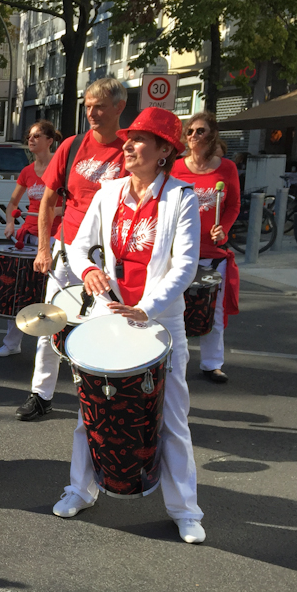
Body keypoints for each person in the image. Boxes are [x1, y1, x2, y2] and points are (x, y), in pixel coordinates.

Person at [51, 106, 205, 544]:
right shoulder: (109, 190)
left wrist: (149, 307)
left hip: (161, 322)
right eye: (129, 138)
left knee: (173, 417)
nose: (128, 145)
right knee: (90, 411)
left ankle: (185, 510)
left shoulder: (182, 196)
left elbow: (186, 265)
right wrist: (88, 273)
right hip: (109, 315)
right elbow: (78, 246)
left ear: (163, 151)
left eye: (140, 139)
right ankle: (80, 489)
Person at [18, 76, 128, 421]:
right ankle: (41, 393)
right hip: (68, 246)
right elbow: (48, 200)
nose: (92, 113)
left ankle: (104, 392)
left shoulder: (130, 148)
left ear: (119, 108)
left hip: (110, 253)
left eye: (99, 106)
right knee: (50, 319)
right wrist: (43, 248)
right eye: (88, 106)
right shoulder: (72, 146)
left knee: (109, 324)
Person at [171, 111, 241, 383]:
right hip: (180, 251)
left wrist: (223, 228)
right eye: (189, 131)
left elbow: (234, 204)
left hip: (212, 253)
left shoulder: (227, 168)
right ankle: (174, 360)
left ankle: (212, 364)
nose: (193, 136)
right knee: (176, 309)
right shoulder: (175, 167)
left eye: (200, 131)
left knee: (214, 312)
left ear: (212, 134)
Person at [0, 119, 62, 357]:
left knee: (51, 293)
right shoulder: (27, 171)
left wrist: (51, 211)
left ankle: (54, 347)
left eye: (36, 136)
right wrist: (10, 222)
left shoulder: (60, 168)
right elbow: (12, 202)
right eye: (29, 137)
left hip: (54, 238)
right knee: (18, 290)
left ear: (49, 141)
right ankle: (12, 343)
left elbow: (72, 204)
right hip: (28, 236)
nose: (31, 140)